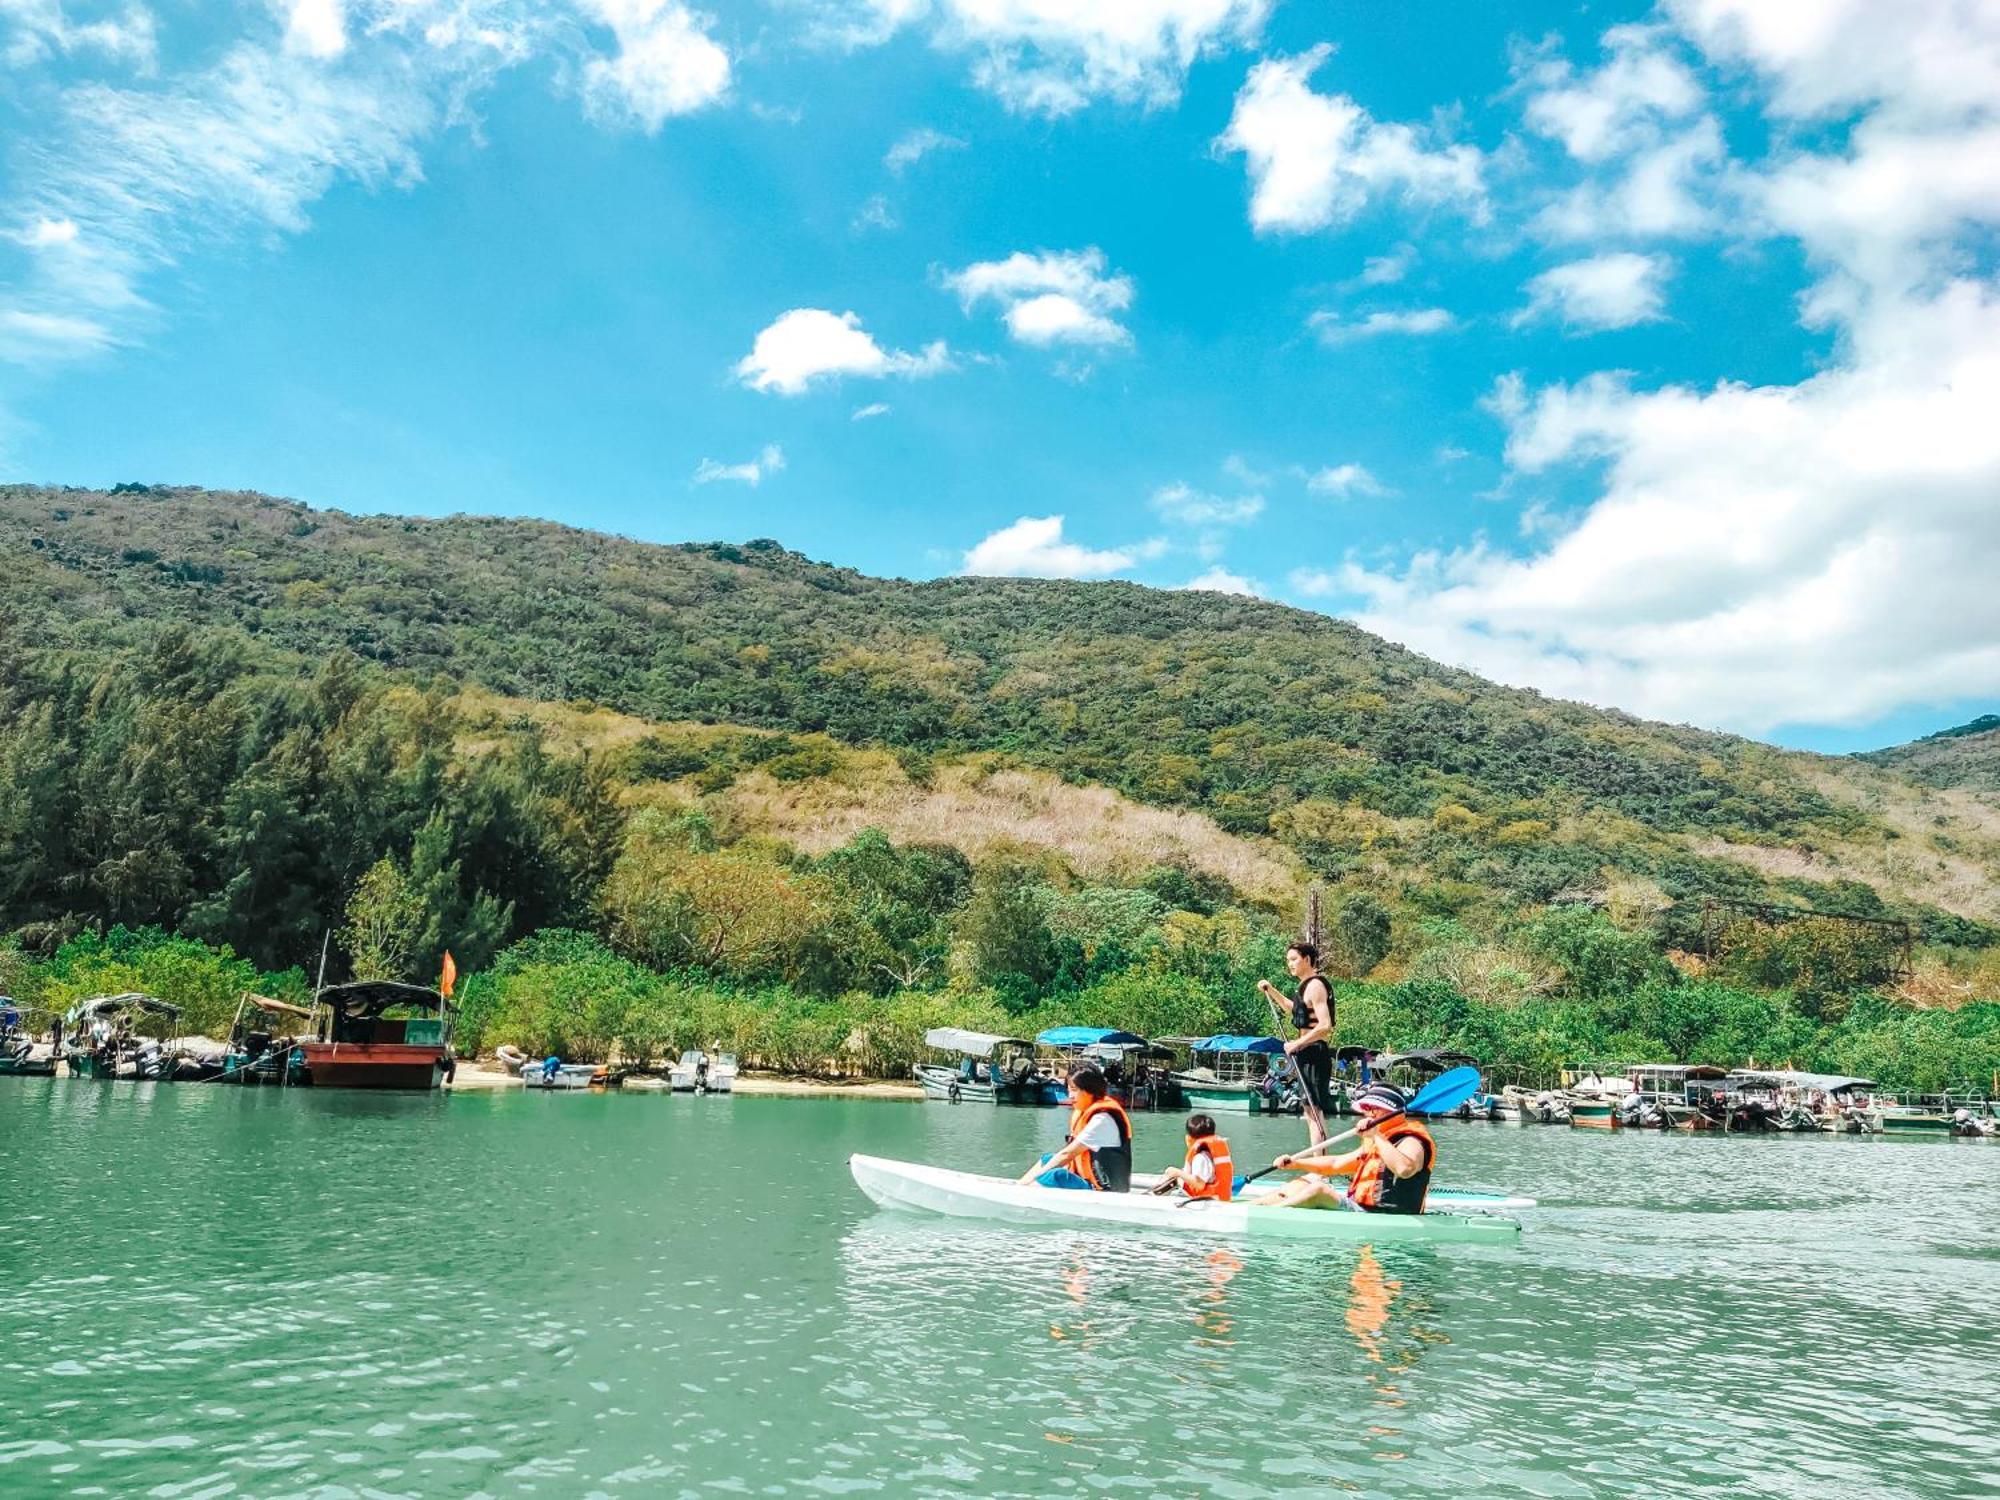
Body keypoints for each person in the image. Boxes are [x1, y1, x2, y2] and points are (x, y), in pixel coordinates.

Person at [1253, 1083, 1435, 1214]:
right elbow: (1335, 1163)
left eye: (1373, 1108)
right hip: (1362, 1208)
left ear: (1391, 1111)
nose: (1367, 1113)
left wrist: (1376, 1135)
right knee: (1305, 1181)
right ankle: (1252, 1207)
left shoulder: (1411, 1140)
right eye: (1366, 1108)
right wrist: (1295, 1163)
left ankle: (1267, 1216)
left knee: (1320, 1190)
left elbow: (1405, 1169)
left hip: (1387, 1215)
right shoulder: (1377, 1140)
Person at [1259, 941, 1334, 1147]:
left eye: (1294, 959)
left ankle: (1321, 1170)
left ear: (1307, 960)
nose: (1290, 964)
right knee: (1309, 1112)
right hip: (1305, 1052)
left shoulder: (1316, 985)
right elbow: (1291, 1008)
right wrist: (1271, 990)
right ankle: (1319, 1167)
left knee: (1314, 1112)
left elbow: (1325, 1025)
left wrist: (1297, 1043)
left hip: (1314, 1053)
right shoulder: (1304, 987)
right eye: (1288, 960)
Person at [1018, 1065, 1132, 1192]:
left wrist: (1035, 1178)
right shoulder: (1087, 1112)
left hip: (1104, 1190)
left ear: (1090, 1090)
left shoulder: (1102, 1119)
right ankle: (1020, 1186)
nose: (1070, 1095)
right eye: (1069, 1089)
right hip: (1087, 1181)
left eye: (1074, 1090)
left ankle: (1023, 1191)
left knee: (1056, 1176)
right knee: (1048, 1159)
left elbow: (1067, 1154)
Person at [1153, 1113, 1235, 1201]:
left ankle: (1154, 1198)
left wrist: (1177, 1172)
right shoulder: (1209, 1152)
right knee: (1176, 1177)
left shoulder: (1200, 1158)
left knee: (1173, 1174)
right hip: (1218, 1197)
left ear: (1189, 1138)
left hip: (1207, 1200)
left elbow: (1199, 1184)